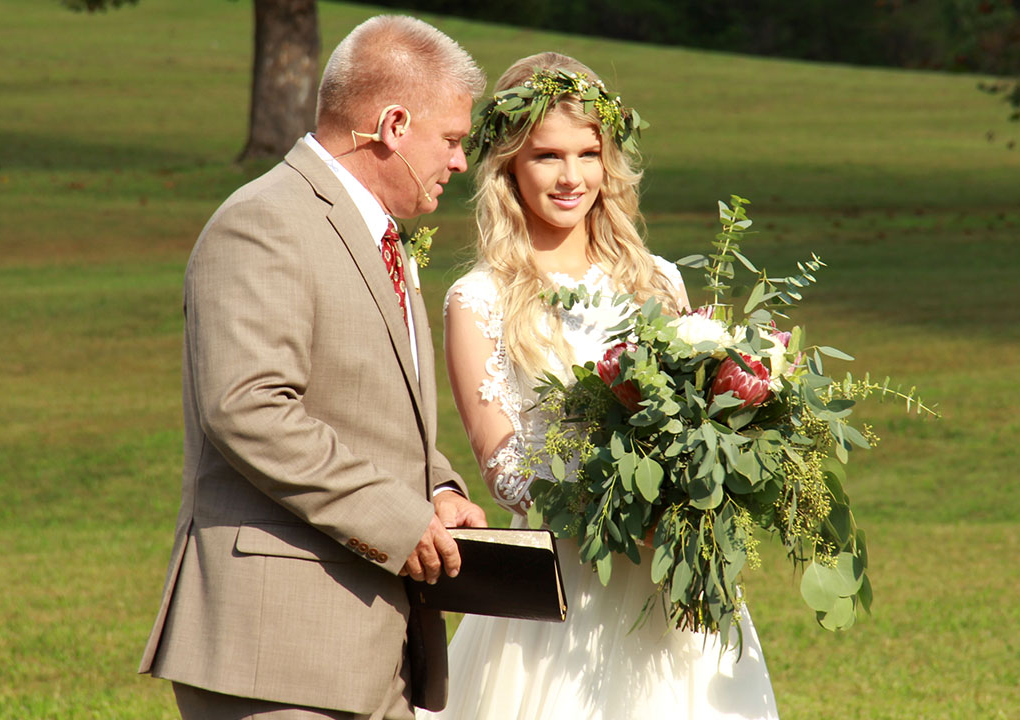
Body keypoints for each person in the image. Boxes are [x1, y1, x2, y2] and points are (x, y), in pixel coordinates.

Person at [137, 15, 488, 720]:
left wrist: (438, 487)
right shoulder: (265, 221)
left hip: (373, 647)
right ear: (393, 125)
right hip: (277, 654)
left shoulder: (378, 234)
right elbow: (249, 408)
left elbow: (367, 405)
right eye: (451, 140)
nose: (459, 163)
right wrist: (397, 519)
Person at [426, 53, 781, 719]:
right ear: (508, 165)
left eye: (588, 154)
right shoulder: (479, 299)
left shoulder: (658, 279)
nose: (572, 177)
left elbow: (696, 416)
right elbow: (503, 467)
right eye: (547, 157)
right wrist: (620, 509)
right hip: (565, 586)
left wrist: (703, 488)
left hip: (672, 582)